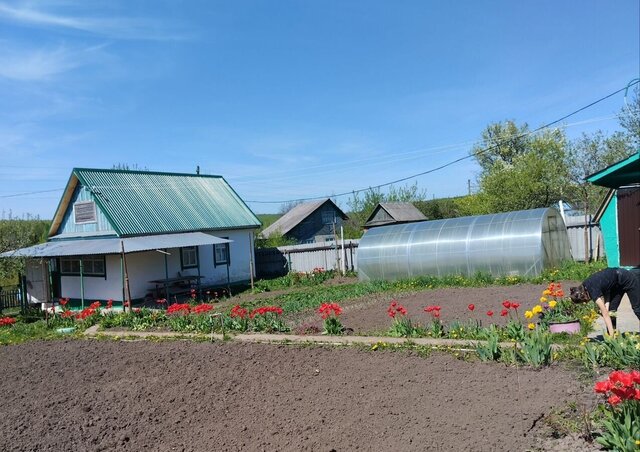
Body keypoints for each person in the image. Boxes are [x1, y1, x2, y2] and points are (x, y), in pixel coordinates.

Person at [569, 267, 640, 336]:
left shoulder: (593, 292)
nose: (585, 303)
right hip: (616, 284)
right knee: (611, 311)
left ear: (583, 296)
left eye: (583, 301)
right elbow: (607, 288)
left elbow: (605, 315)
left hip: (627, 278)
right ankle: (612, 337)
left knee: (637, 308)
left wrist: (604, 311)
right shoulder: (585, 286)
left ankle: (612, 337)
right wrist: (607, 305)